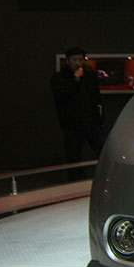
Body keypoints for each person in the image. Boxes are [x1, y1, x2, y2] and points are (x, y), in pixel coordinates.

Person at [50, 46, 105, 180]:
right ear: (68, 61)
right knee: (73, 154)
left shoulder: (88, 73)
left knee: (101, 148)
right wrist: (75, 80)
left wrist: (99, 115)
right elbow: (61, 97)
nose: (78, 63)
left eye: (80, 59)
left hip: (91, 120)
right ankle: (76, 179)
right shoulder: (59, 78)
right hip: (72, 123)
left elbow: (95, 95)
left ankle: (105, 176)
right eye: (74, 60)